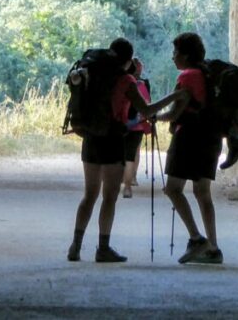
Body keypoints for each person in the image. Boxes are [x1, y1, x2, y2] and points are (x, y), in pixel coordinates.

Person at [68, 38, 174, 263]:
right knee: (109, 197)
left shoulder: (91, 72)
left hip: (90, 138)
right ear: (128, 61)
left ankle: (75, 247)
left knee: (89, 195)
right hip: (113, 139)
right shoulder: (125, 79)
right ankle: (103, 248)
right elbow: (146, 110)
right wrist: (175, 97)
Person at [152, 32, 225, 265]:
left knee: (173, 189)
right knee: (203, 193)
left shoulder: (187, 76)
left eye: (175, 53)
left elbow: (175, 112)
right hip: (211, 138)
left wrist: (155, 117)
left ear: (185, 55)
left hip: (189, 139)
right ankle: (213, 248)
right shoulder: (207, 74)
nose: (173, 58)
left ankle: (196, 238)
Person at [122, 57, 152, 199]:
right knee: (132, 154)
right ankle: (129, 184)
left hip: (120, 123)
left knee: (122, 154)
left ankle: (120, 182)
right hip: (138, 124)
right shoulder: (143, 84)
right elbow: (147, 104)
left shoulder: (120, 82)